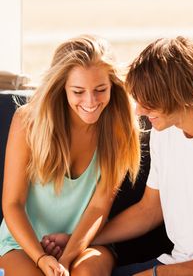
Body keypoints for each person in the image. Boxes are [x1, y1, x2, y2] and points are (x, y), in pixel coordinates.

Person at [91, 36, 193, 275]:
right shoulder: (164, 131)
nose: (139, 111)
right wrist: (82, 240)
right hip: (173, 263)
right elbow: (149, 210)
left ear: (176, 94)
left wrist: (159, 274)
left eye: (148, 101)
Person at [0, 35, 140, 276]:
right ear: (62, 87)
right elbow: (12, 204)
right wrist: (42, 258)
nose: (90, 101)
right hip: (23, 245)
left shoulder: (118, 130)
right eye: (78, 91)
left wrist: (66, 258)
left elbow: (98, 208)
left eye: (100, 90)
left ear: (112, 86)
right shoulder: (28, 122)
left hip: (86, 242)